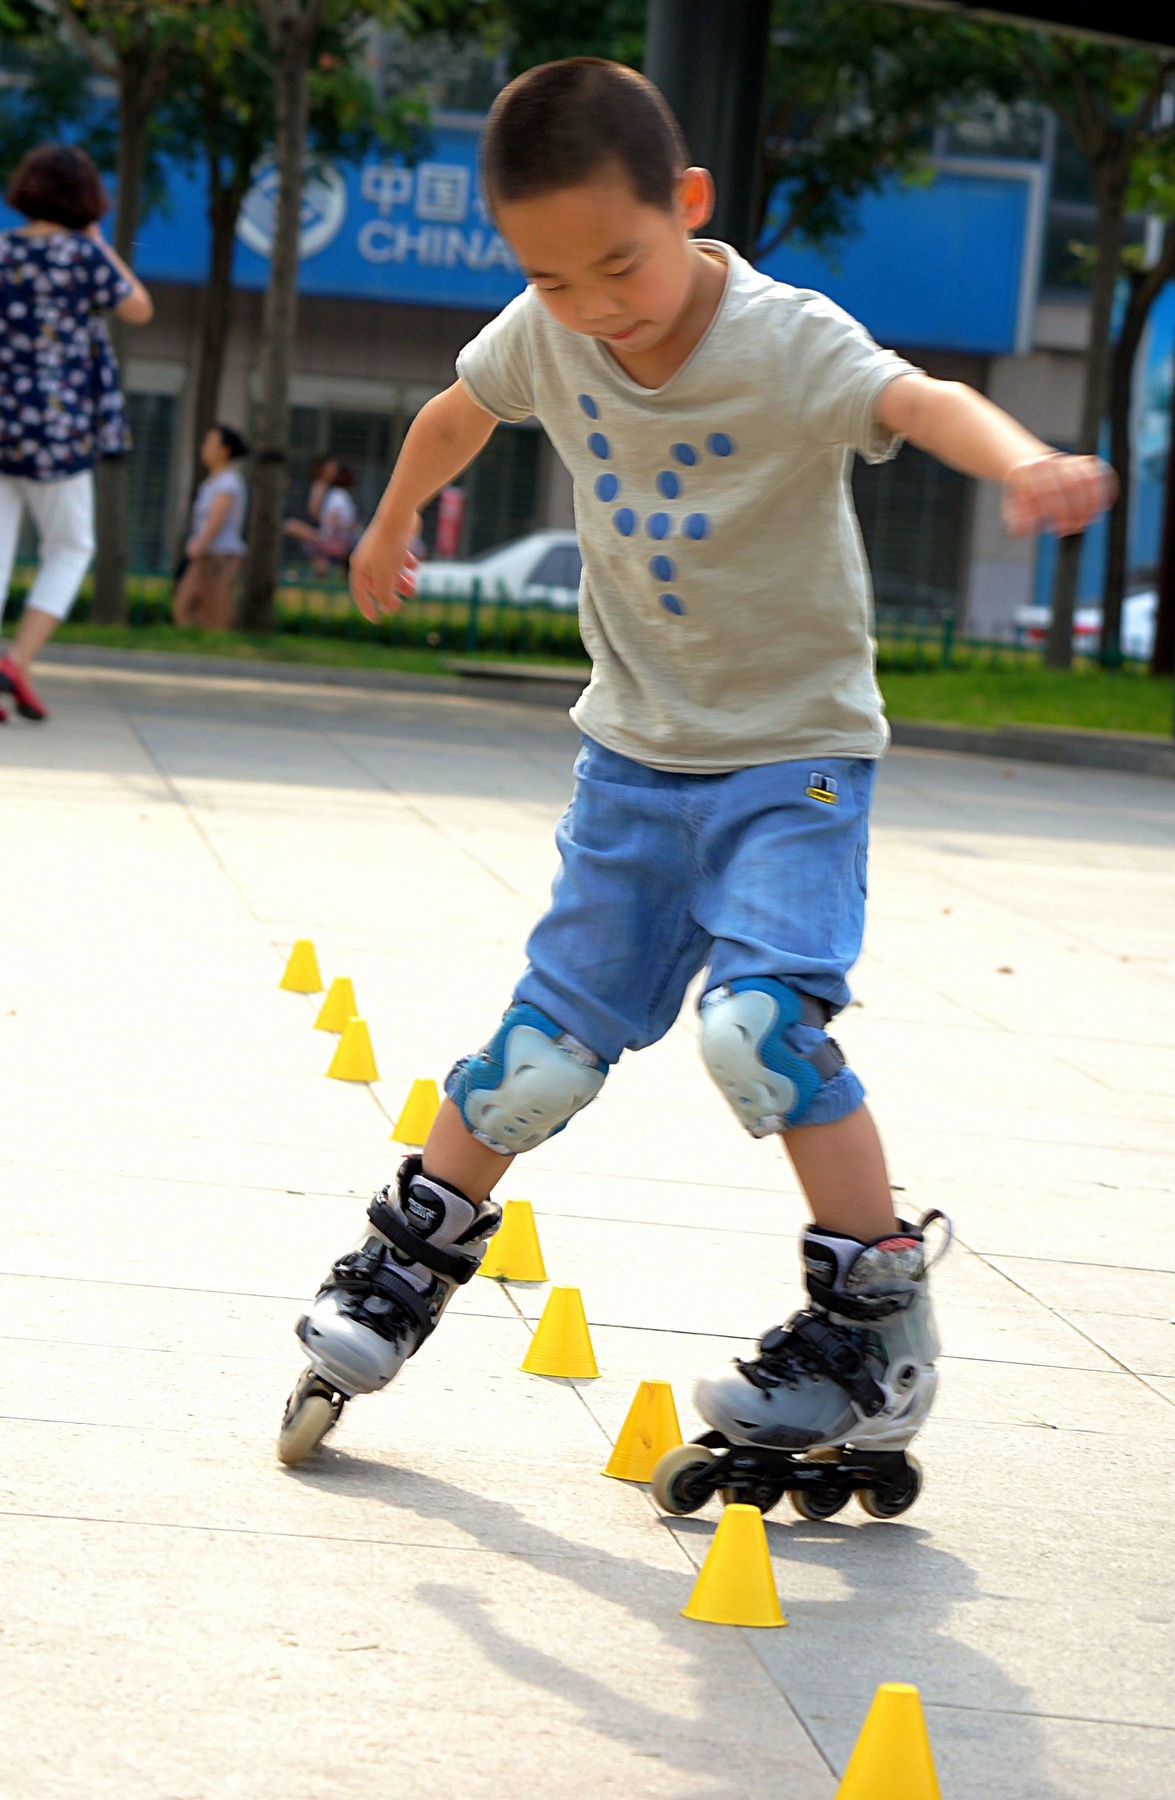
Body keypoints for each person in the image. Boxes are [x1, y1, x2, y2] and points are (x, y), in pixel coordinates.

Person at [277, 59, 1114, 1499]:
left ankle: (871, 1321)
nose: (599, 308)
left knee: (760, 1035)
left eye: (623, 263)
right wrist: (392, 520)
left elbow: (918, 402)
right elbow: (456, 411)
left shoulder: (786, 341)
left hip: (791, 764)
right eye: (555, 278)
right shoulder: (548, 329)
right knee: (534, 1057)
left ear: (691, 205)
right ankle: (400, 1261)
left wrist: (1025, 457)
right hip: (632, 766)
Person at [0, 143, 153, 723]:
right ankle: (17, 662)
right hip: (58, 428)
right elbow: (138, 310)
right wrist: (100, 244)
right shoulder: (82, 255)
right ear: (85, 198)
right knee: (71, 546)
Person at [173, 424, 249, 630]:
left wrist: (198, 545)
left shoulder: (228, 482)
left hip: (220, 556)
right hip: (205, 553)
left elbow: (217, 518)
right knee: (186, 605)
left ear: (225, 450)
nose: (204, 448)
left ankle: (214, 647)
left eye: (210, 443)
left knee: (215, 610)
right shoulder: (212, 482)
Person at [283, 461, 358, 573]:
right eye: (331, 467)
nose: (333, 471)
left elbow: (327, 516)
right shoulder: (326, 489)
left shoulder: (335, 493)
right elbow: (317, 512)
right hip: (325, 535)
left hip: (328, 537)